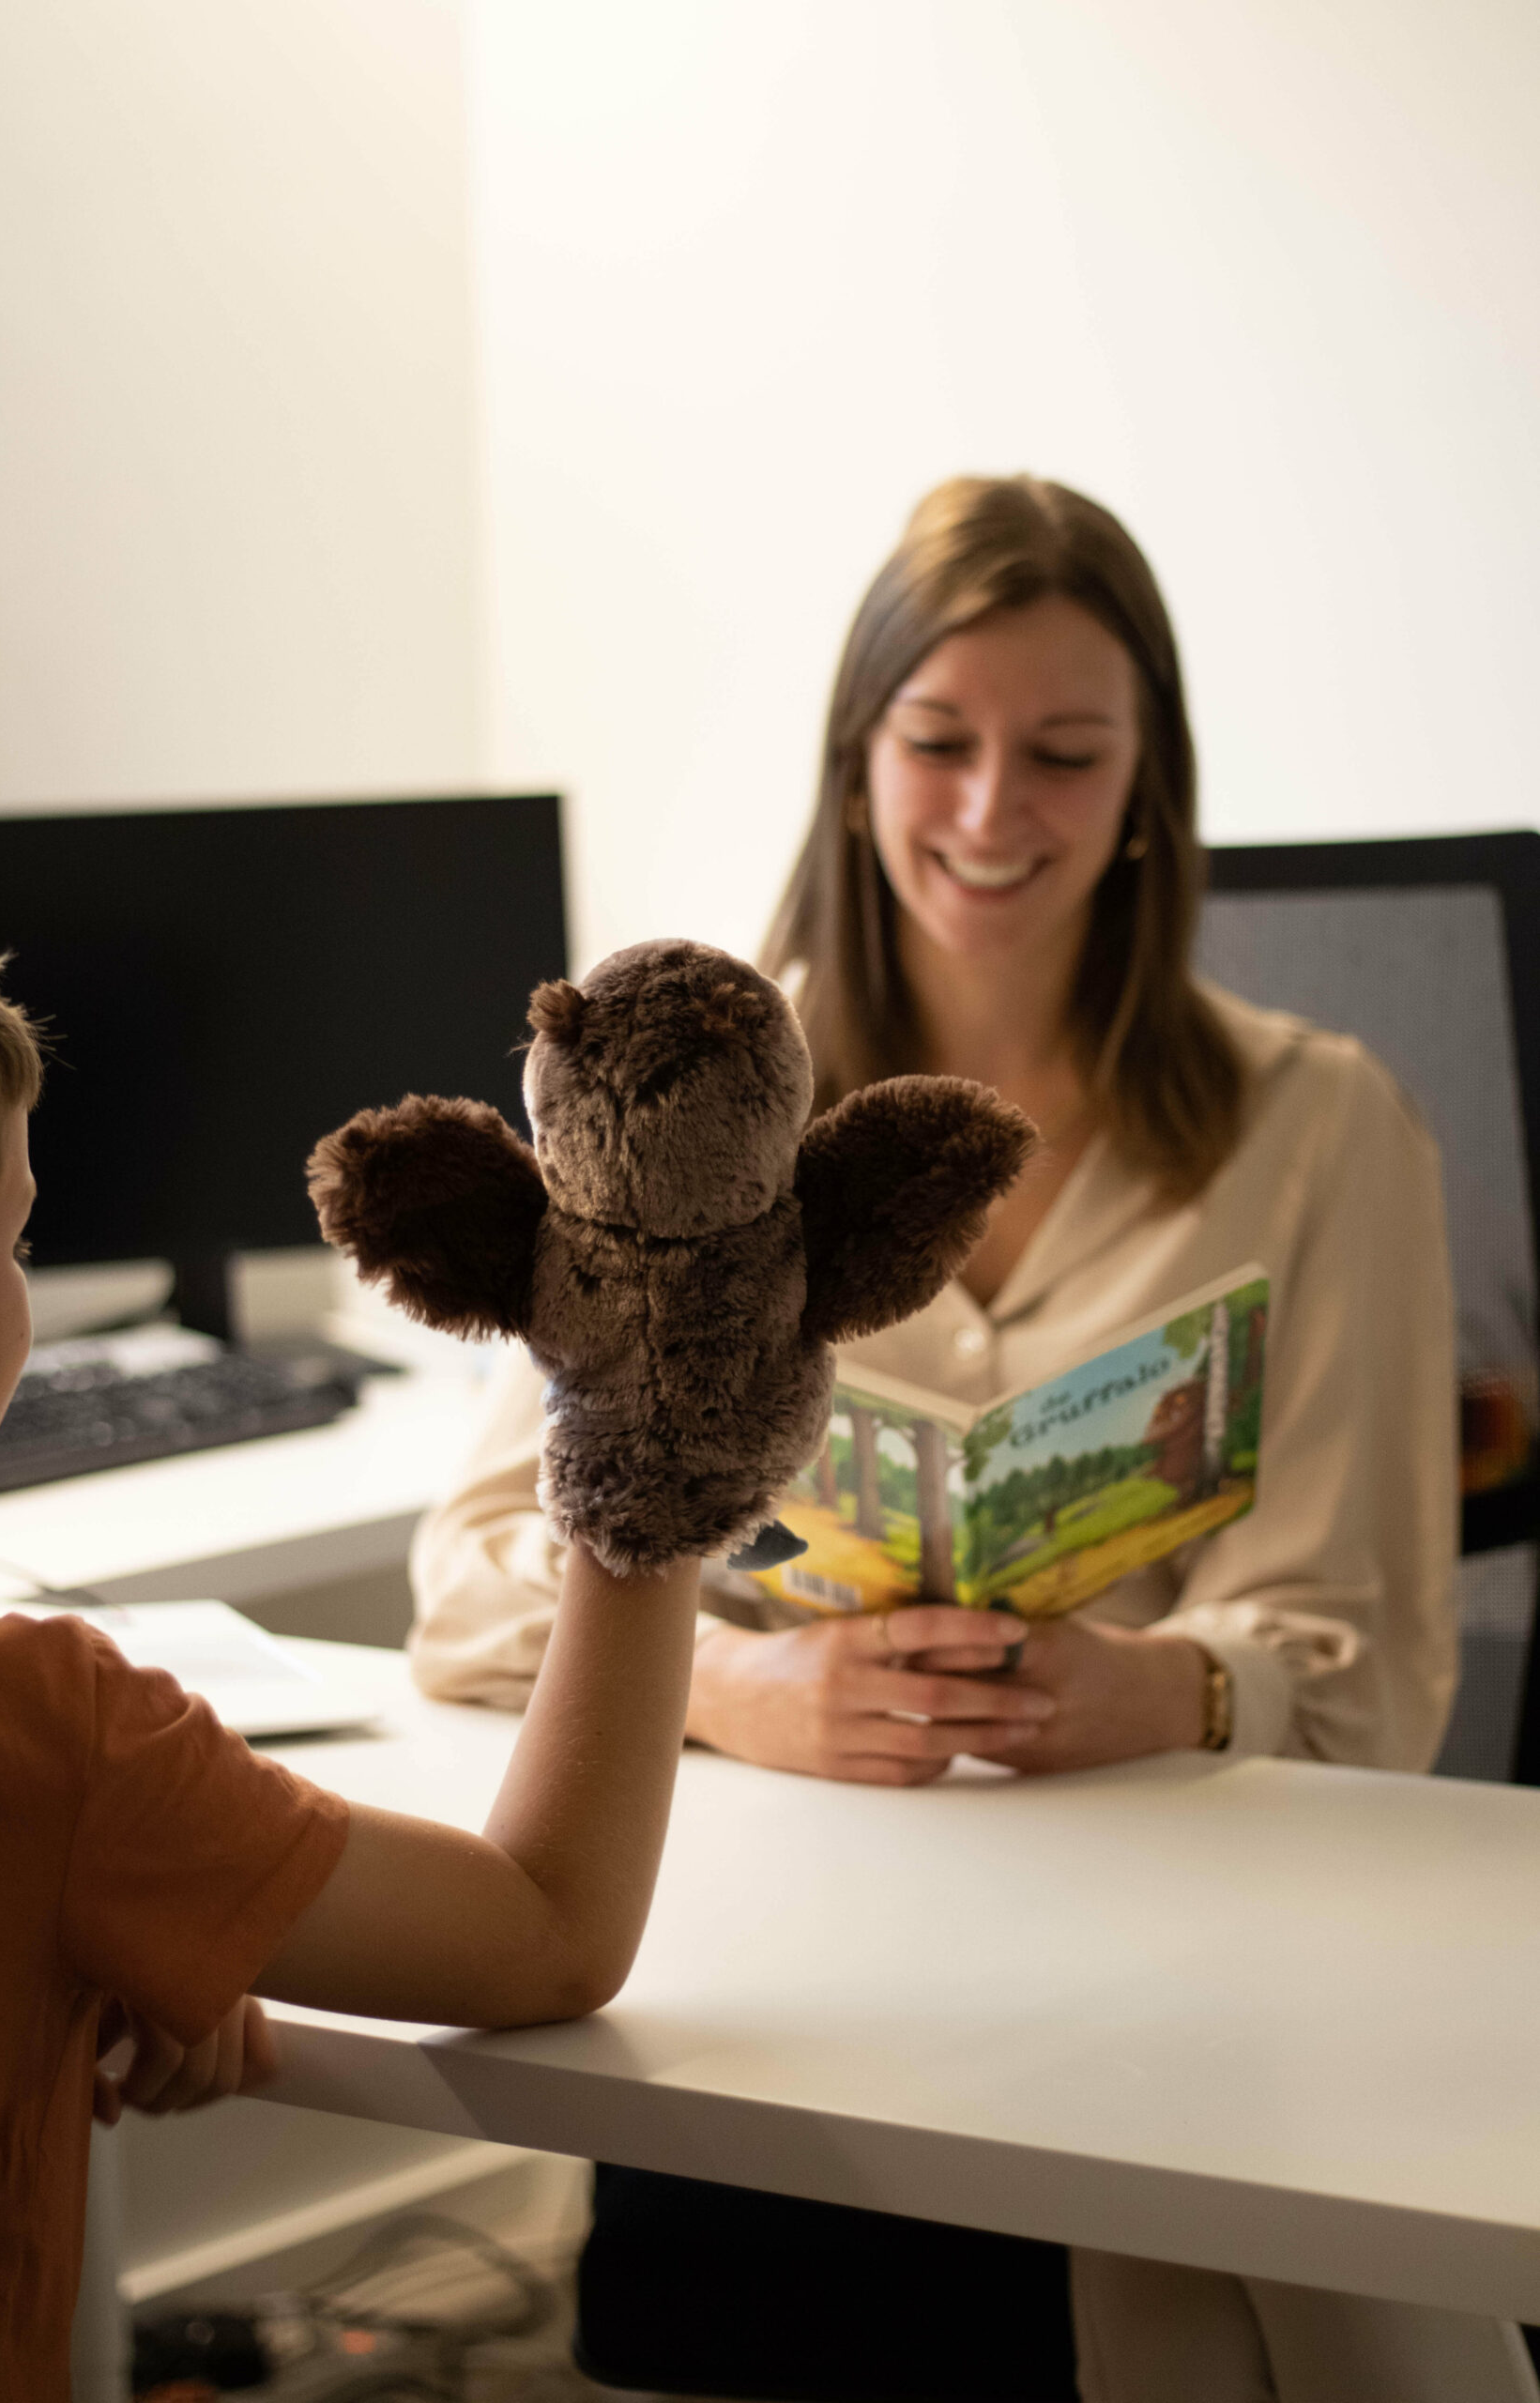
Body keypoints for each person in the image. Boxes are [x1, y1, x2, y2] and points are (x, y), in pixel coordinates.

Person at [407, 478, 1491, 2403]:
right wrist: (741, 1690)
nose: (994, 812)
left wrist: (1155, 1685)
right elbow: (474, 1580)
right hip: (780, 1941)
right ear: (855, 761)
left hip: (1161, 1967)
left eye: (1064, 752)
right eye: (940, 741)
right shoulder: (678, 1107)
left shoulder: (1321, 1125)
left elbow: (1373, 1658)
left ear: (1147, 779)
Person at [0, 941, 704, 2403]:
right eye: (17, 1244)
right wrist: (652, 1447)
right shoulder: (35, 1735)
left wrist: (105, 1934)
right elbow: (549, 1933)